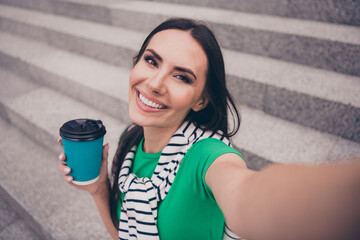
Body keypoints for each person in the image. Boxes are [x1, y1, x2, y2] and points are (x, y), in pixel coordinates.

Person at [58, 18, 360, 240]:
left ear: (201, 99)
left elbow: (249, 194)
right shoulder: (130, 140)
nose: (154, 83)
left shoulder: (209, 157)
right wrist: (99, 190)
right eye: (151, 61)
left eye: (182, 77)